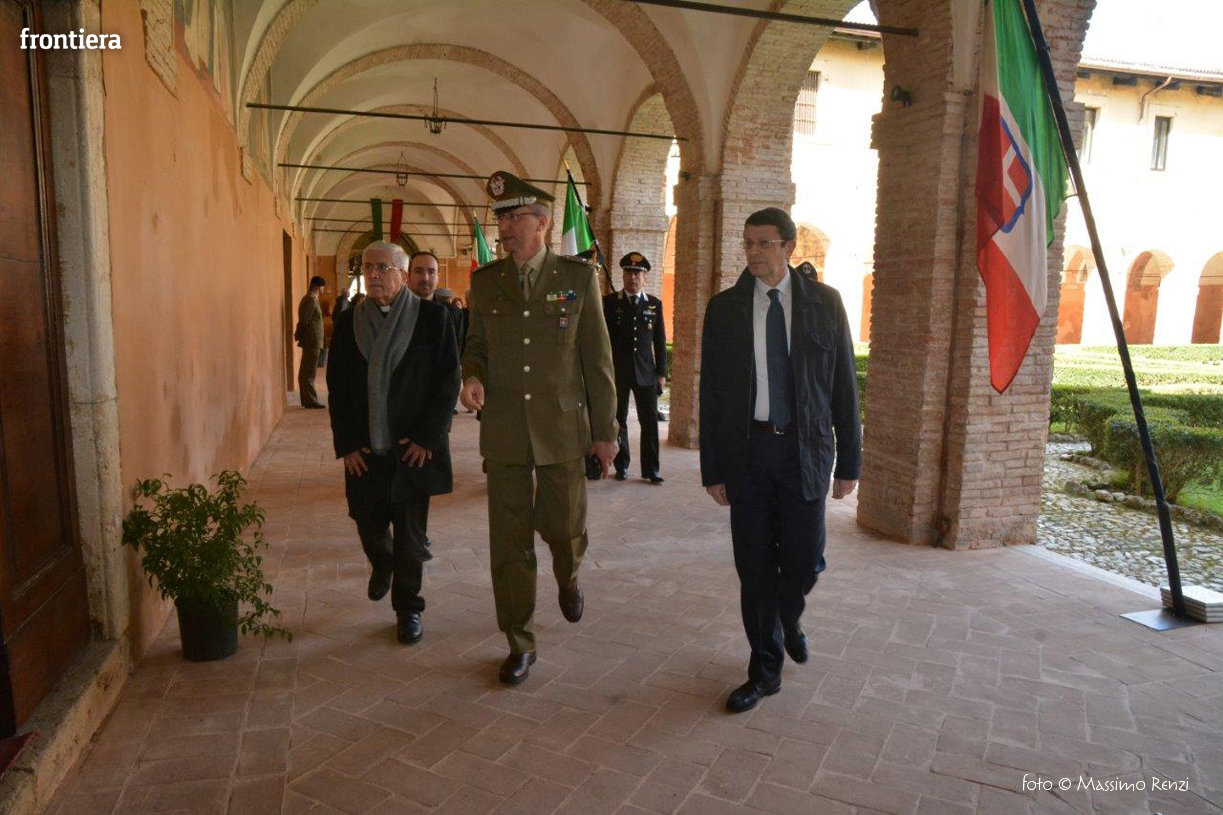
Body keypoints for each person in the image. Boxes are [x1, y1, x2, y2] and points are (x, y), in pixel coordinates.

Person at [699, 207, 861, 713]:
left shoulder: (824, 303)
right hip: (747, 453)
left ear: (790, 248)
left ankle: (788, 617)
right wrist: (712, 469)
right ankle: (764, 671)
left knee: (805, 560)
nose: (753, 252)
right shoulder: (724, 308)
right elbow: (711, 394)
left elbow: (844, 385)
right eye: (748, 243)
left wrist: (850, 463)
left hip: (803, 451)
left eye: (764, 243)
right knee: (754, 568)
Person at [460, 171, 617, 685]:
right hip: (505, 428)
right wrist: (472, 375)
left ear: (543, 222)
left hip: (562, 429)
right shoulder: (486, 282)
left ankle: (568, 575)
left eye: (514, 216)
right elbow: (476, 345)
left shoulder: (578, 278)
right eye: (501, 218)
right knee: (509, 543)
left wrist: (606, 433)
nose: (504, 227)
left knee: (565, 528)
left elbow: (598, 362)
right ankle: (519, 641)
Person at [327, 241, 461, 645]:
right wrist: (348, 443)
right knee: (366, 523)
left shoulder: (433, 319)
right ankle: (382, 562)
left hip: (411, 449)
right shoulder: (349, 322)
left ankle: (408, 609)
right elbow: (337, 387)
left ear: (402, 275)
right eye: (368, 267)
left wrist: (427, 438)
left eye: (383, 267)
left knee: (410, 537)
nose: (373, 274)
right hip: (365, 448)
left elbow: (448, 381)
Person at [604, 252, 668, 484]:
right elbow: (603, 340)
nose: (633, 277)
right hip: (617, 372)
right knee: (619, 420)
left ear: (645, 278)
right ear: (623, 275)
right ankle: (621, 466)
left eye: (637, 274)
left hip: (646, 373)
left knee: (649, 422)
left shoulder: (654, 304)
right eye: (629, 273)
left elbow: (659, 341)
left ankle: (651, 470)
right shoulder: (610, 303)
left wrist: (662, 373)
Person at [294, 276, 327, 409]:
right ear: (318, 287)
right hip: (311, 339)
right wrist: (299, 334)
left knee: (309, 370)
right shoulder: (310, 300)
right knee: (308, 371)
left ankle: (308, 399)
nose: (323, 290)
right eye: (323, 287)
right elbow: (305, 320)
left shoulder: (312, 299)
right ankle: (310, 400)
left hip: (313, 339)